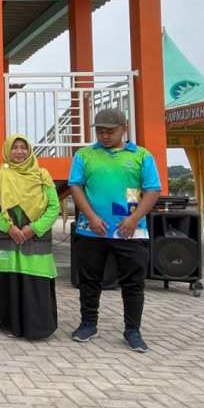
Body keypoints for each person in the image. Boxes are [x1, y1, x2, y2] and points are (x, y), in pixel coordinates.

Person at [68, 108, 161, 353]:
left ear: (124, 128)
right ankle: (88, 323)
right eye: (100, 131)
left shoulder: (141, 155)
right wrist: (91, 216)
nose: (105, 135)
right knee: (89, 281)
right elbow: (76, 187)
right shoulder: (85, 155)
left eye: (110, 131)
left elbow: (153, 189)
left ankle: (133, 330)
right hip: (92, 230)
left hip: (130, 231)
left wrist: (135, 218)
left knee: (133, 284)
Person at [0, 134, 60, 340]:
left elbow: (54, 207)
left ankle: (36, 327)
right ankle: (10, 324)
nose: (19, 152)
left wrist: (33, 229)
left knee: (34, 280)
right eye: (14, 148)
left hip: (34, 237)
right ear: (7, 150)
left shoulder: (42, 174)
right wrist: (9, 228)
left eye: (23, 148)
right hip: (7, 235)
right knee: (10, 279)